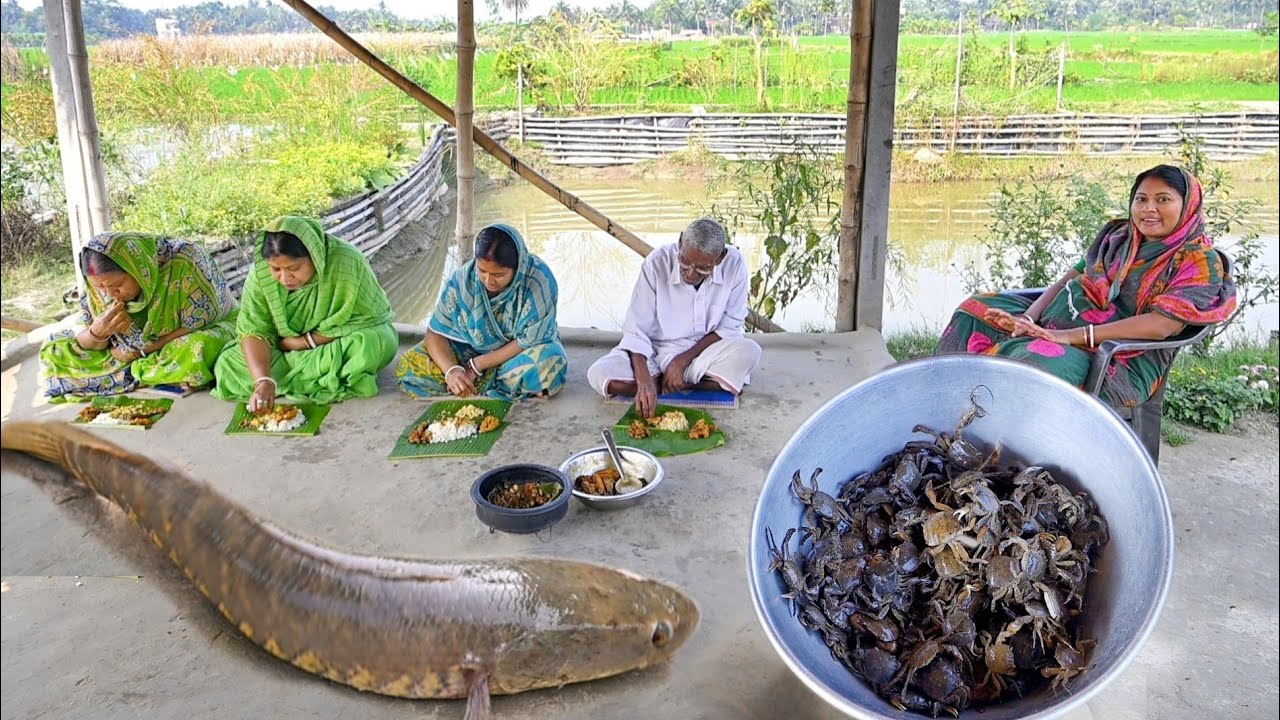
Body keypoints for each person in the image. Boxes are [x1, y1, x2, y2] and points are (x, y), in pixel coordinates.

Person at [936, 164, 1237, 408]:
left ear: (1188, 206)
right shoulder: (1119, 237)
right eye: (1141, 199)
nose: (1149, 209)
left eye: (1163, 200)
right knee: (973, 312)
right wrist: (1028, 318)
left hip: (1118, 356)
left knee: (1035, 361)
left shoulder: (1199, 262)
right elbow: (1072, 278)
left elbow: (1161, 326)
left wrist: (1068, 336)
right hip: (1059, 323)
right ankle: (944, 401)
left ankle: (997, 438)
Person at [212, 215, 397, 411]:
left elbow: (369, 318)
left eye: (294, 268)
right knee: (227, 364)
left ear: (315, 256)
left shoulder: (345, 261)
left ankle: (291, 379)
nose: (285, 278)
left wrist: (304, 342)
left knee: (375, 343)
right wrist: (262, 380)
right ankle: (306, 379)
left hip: (333, 341)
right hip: (284, 349)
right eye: (276, 269)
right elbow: (253, 330)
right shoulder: (261, 275)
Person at [586, 217, 762, 418]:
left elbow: (729, 327)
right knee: (598, 374)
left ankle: (668, 383)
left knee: (750, 351)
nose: (691, 273)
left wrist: (681, 362)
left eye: (703, 268)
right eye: (685, 261)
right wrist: (643, 380)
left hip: (704, 354)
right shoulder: (656, 263)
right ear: (680, 242)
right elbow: (636, 331)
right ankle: (685, 383)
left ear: (720, 258)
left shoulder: (734, 264)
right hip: (655, 352)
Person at [40, 232, 238, 401]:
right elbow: (94, 344)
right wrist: (98, 333)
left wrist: (140, 351)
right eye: (100, 287)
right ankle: (155, 373)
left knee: (198, 347)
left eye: (117, 285)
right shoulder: (97, 287)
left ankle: (137, 371)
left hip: (193, 333)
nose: (110, 294)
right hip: (129, 352)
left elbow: (199, 323)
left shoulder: (184, 260)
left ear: (138, 269)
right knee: (54, 351)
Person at [396, 223, 566, 401]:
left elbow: (529, 340)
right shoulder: (463, 280)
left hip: (514, 354)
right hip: (468, 350)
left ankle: (487, 383)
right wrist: (452, 371)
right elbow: (435, 333)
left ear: (518, 268)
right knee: (409, 365)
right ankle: (508, 386)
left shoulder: (538, 280)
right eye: (482, 270)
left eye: (499, 275)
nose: (488, 280)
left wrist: (477, 365)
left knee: (550, 360)